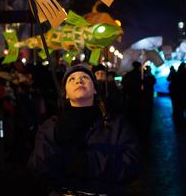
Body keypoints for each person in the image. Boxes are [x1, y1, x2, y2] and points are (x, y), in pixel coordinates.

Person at [28, 64, 140, 196]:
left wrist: (90, 163)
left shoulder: (115, 123)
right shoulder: (52, 125)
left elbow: (132, 164)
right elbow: (37, 166)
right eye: (71, 79)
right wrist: (57, 143)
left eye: (85, 77)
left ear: (94, 90)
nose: (78, 80)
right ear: (66, 94)